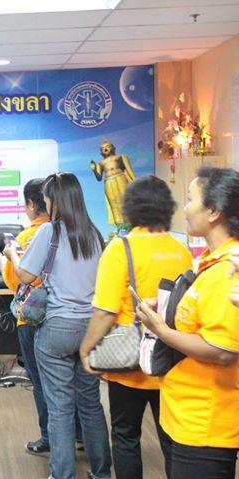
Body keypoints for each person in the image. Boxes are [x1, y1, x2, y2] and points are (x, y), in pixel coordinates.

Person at [79, 176, 192, 479]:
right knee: (171, 438)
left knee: (126, 435)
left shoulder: (120, 248)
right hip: (171, 358)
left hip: (129, 361)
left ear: (129, 208)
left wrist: (87, 348)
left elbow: (105, 311)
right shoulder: (180, 250)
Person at [3, 172, 111, 479]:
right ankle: (101, 472)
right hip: (91, 329)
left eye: (48, 198)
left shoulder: (49, 231)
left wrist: (11, 255)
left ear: (54, 200)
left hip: (57, 329)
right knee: (90, 404)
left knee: (60, 407)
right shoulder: (94, 234)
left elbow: (26, 275)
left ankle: (62, 475)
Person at [136, 167, 239, 479]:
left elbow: (221, 350)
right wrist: (164, 306)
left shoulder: (228, 270)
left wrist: (160, 329)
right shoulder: (210, 260)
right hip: (183, 413)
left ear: (214, 211)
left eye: (191, 199)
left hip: (205, 423)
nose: (185, 208)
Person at [0, 178, 55, 455]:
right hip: (64, 317)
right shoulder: (66, 232)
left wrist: (3, 261)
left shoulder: (24, 239)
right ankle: (78, 433)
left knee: (41, 382)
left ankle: (49, 437)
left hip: (32, 320)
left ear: (31, 204)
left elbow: (15, 282)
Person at [90, 140, 135, 227]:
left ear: (113, 148)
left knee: (126, 201)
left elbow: (129, 170)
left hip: (120, 178)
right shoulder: (101, 163)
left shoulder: (119, 157)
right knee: (114, 203)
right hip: (109, 181)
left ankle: (130, 224)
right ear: (101, 152)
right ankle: (120, 226)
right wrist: (94, 170)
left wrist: (135, 182)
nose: (105, 149)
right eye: (103, 148)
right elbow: (99, 178)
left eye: (107, 146)